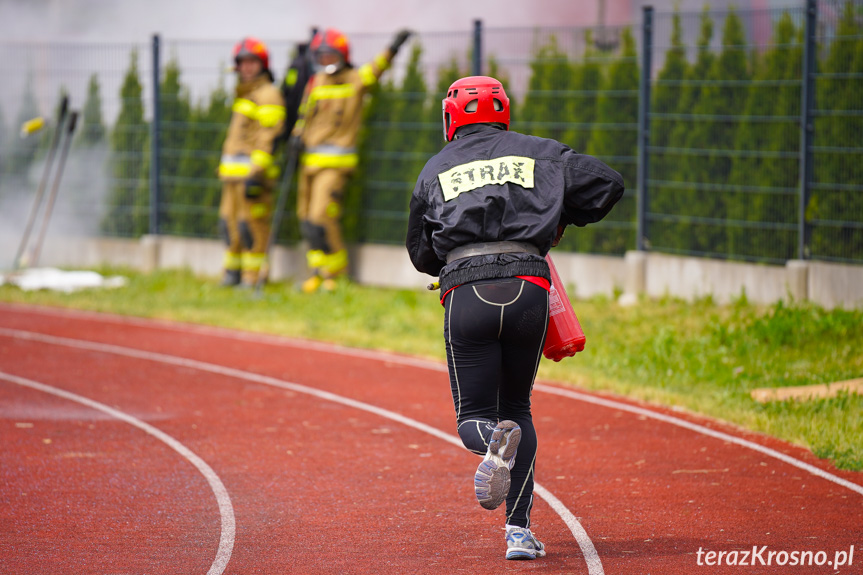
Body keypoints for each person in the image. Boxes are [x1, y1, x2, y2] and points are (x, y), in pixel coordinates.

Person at [405, 76, 625, 560]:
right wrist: (558, 219)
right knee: (518, 410)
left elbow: (421, 252)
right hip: (530, 286)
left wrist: (450, 256)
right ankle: (519, 533)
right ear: (504, 111)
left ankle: (492, 441)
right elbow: (609, 184)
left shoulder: (435, 168)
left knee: (473, 420)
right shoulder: (542, 153)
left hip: (467, 291)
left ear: (449, 117)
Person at [292, 27, 411, 293]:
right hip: (308, 164)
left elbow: (376, 69)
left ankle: (336, 275)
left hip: (335, 166)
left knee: (322, 216)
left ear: (342, 55)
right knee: (306, 220)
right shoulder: (315, 82)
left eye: (329, 55)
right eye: (320, 56)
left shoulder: (355, 80)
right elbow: (304, 114)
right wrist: (296, 136)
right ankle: (318, 272)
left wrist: (393, 48)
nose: (325, 61)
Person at [217, 37, 286, 288]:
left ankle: (253, 278)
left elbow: (268, 138)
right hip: (232, 177)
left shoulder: (268, 94)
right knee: (230, 226)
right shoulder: (245, 95)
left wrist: (256, 174)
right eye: (242, 62)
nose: (246, 68)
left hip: (251, 177)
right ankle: (232, 274)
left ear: (263, 65)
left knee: (251, 228)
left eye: (251, 62)